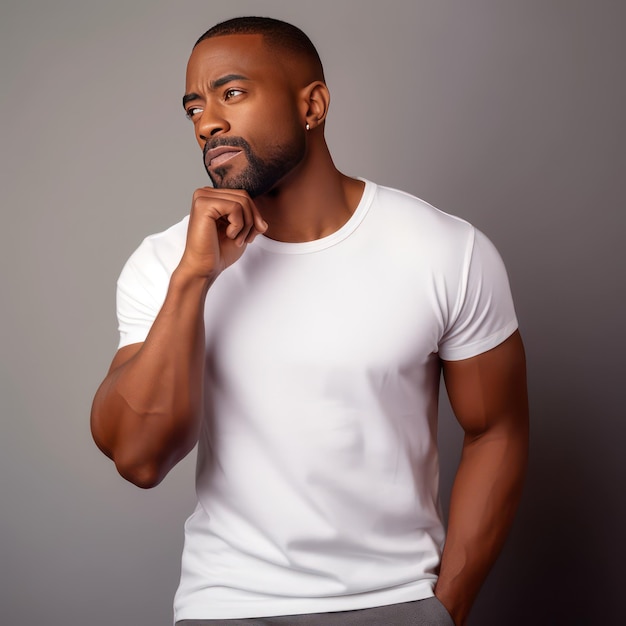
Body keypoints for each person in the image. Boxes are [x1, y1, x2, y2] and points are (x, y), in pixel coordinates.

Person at [91, 16, 529, 626]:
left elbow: (497, 431)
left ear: (313, 105)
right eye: (193, 106)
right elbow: (138, 459)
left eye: (232, 93)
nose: (207, 121)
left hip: (397, 602)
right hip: (228, 605)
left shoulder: (444, 250)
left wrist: (444, 609)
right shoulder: (166, 262)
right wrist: (193, 280)